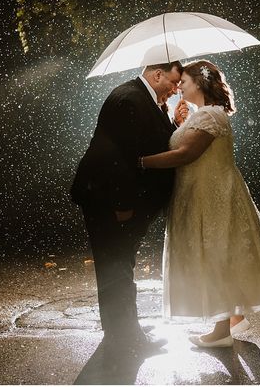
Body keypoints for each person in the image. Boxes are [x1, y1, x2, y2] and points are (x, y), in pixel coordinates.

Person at [139, 60, 260, 348]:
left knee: (214, 254)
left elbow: (185, 154)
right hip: (208, 191)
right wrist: (177, 121)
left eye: (183, 81)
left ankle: (220, 332)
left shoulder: (209, 116)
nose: (179, 86)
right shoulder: (204, 115)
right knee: (221, 252)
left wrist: (140, 163)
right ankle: (234, 317)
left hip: (210, 196)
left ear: (199, 83)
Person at [70, 60, 185, 353]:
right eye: (173, 82)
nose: (176, 89)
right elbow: (117, 157)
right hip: (109, 199)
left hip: (119, 199)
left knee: (121, 263)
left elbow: (152, 142)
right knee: (115, 265)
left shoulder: (146, 99)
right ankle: (125, 338)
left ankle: (123, 329)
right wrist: (122, 204)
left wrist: (174, 123)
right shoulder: (128, 99)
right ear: (157, 74)